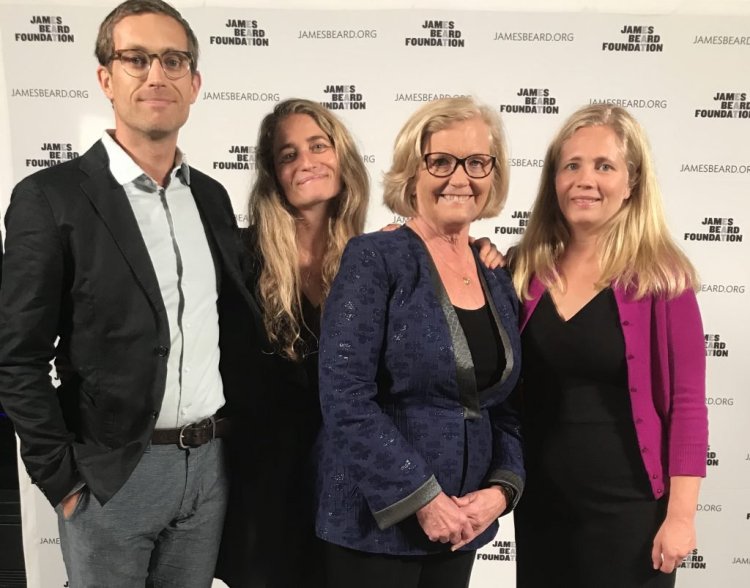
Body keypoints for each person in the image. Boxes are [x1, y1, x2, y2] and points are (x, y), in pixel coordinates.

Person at [0, 1, 262, 586]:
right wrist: (63, 481)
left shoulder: (213, 199)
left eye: (173, 61)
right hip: (112, 475)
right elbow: (17, 355)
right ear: (105, 78)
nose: (155, 75)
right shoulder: (51, 199)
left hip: (210, 469)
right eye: (136, 59)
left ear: (194, 84)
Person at [315, 97, 523, 588]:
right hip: (375, 528)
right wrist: (423, 497)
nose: (460, 177)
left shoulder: (496, 278)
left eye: (476, 162)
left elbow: (506, 406)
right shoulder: (375, 258)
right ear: (412, 173)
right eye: (440, 161)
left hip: (463, 527)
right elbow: (344, 398)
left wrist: (501, 491)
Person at [510, 104, 708, 587]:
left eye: (604, 166)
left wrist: (680, 517)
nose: (585, 180)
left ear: (632, 182)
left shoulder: (663, 277)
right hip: (542, 510)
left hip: (632, 514)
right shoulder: (521, 270)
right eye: (571, 165)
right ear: (553, 179)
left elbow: (688, 406)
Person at [216, 98, 369, 588]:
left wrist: (482, 250)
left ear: (341, 157)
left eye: (318, 146)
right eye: (288, 154)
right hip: (259, 495)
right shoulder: (238, 260)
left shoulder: (374, 262)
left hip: (346, 494)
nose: (306, 162)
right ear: (273, 175)